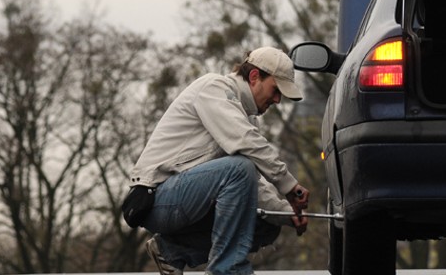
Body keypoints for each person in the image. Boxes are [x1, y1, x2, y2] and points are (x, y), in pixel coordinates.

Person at [127, 47, 311, 275]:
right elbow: (244, 143)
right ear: (254, 77)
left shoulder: (246, 118)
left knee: (266, 225)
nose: (277, 99)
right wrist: (289, 185)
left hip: (190, 200)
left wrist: (286, 212)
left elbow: (251, 183)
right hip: (158, 199)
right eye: (275, 89)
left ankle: (171, 250)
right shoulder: (213, 88)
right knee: (239, 169)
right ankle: (227, 270)